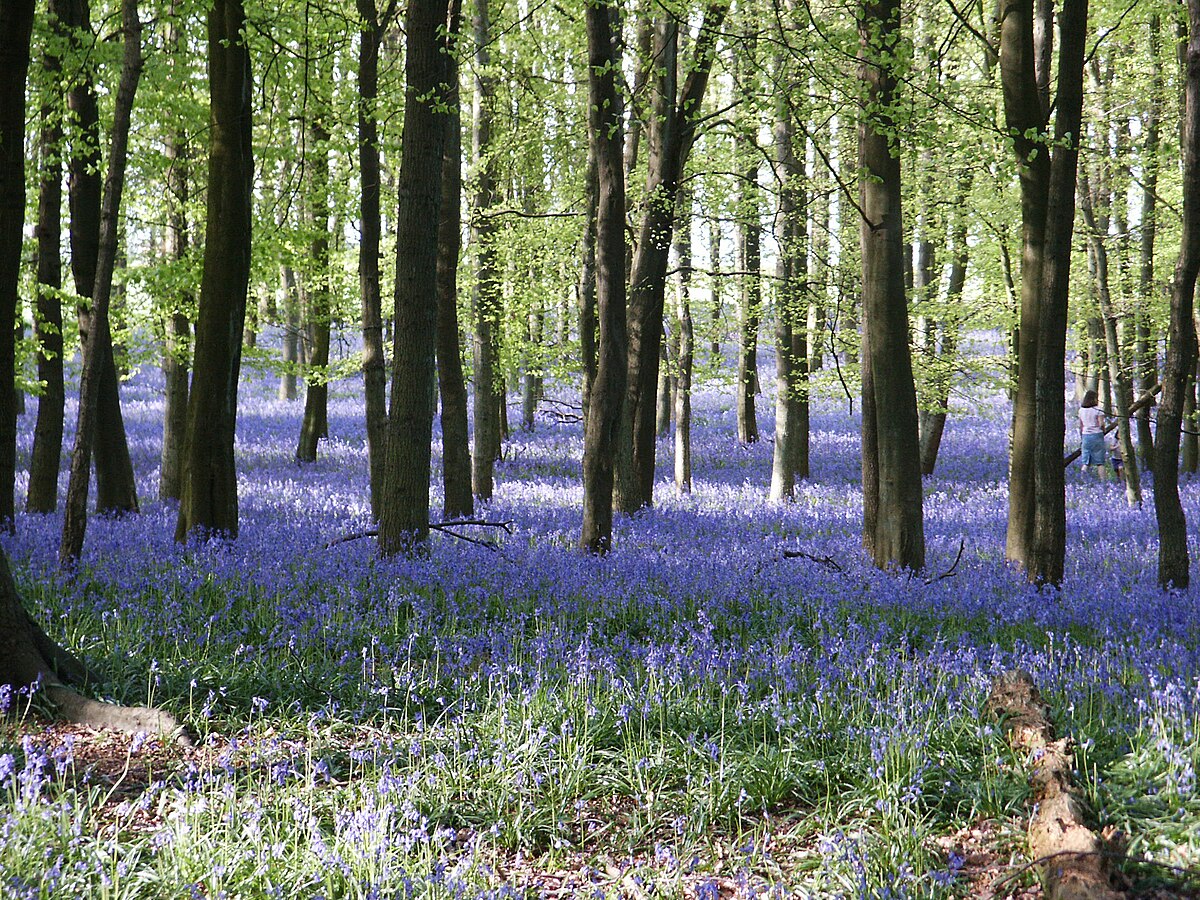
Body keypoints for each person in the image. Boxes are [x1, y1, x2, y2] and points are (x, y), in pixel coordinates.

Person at [1078, 390, 1106, 476]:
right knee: (1100, 462)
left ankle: (1082, 479)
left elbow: (1080, 426)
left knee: (1086, 461)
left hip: (1086, 436)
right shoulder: (1098, 409)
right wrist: (1103, 431)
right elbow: (1101, 424)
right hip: (1097, 435)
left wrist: (1082, 436)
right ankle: (1103, 483)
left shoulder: (1081, 410)